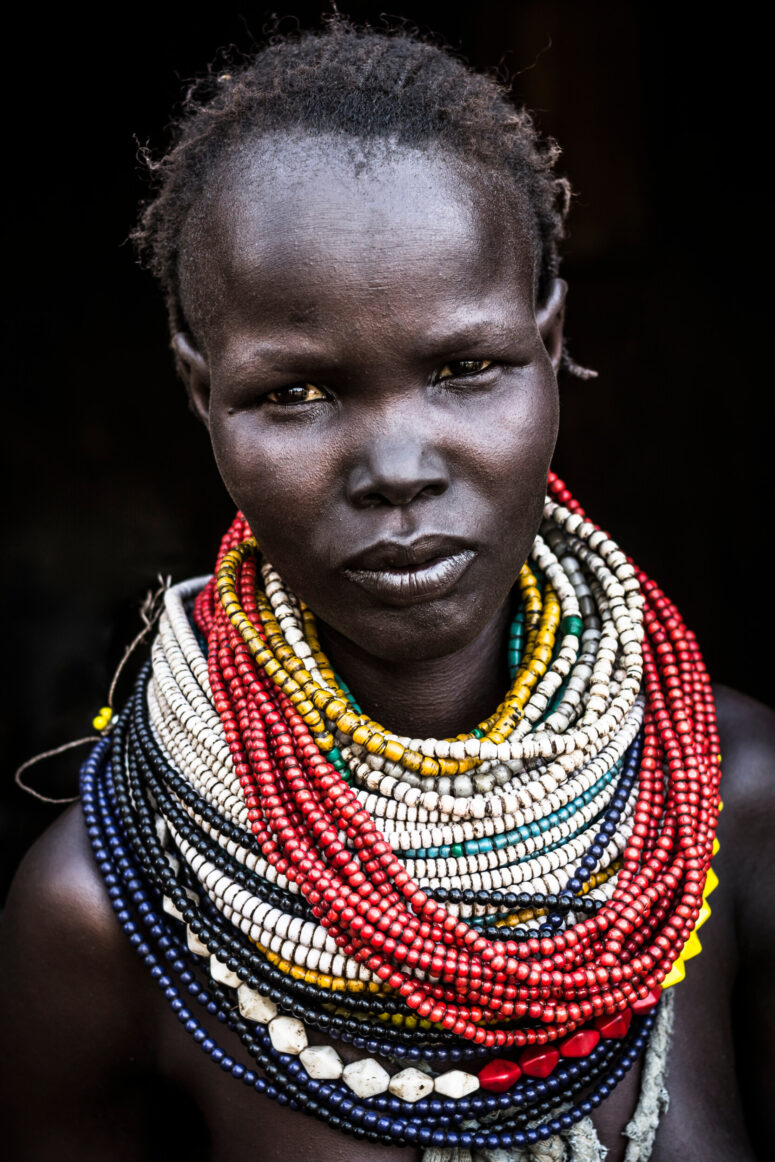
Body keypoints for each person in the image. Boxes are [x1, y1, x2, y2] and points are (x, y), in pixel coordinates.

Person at [1, 19, 773, 1162]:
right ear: (198, 392)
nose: (398, 467)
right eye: (299, 392)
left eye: (467, 369)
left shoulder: (732, 795)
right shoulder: (106, 914)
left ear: (550, 344)